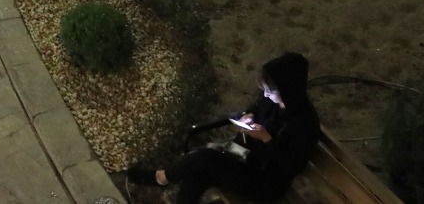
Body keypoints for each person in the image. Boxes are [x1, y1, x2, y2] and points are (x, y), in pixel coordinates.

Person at [128, 53, 320, 204]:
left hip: (263, 181)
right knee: (197, 175)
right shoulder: (273, 100)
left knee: (204, 158)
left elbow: (288, 167)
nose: (266, 94)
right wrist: (249, 116)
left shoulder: (304, 124)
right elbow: (255, 108)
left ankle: (162, 178)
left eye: (270, 90)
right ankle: (163, 178)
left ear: (288, 89)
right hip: (245, 157)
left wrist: (266, 139)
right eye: (265, 89)